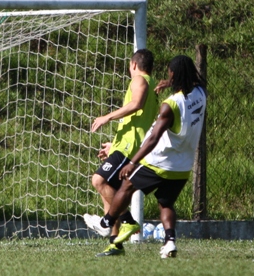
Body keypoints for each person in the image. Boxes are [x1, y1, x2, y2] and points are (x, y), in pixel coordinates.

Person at [85, 55, 206, 259]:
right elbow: (195, 82)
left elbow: (152, 136)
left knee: (124, 186)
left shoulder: (168, 102)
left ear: (133, 64)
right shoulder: (201, 94)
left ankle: (108, 223)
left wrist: (132, 162)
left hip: (158, 160)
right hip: (183, 165)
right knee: (165, 203)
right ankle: (169, 242)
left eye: (170, 74)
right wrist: (171, 82)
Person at [84, 49, 159, 256]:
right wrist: (113, 146)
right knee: (110, 195)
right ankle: (115, 244)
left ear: (133, 64)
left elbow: (136, 105)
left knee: (98, 180)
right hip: (125, 145)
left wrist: (107, 117)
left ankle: (127, 221)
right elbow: (140, 120)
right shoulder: (152, 85)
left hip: (130, 146)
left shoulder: (139, 80)